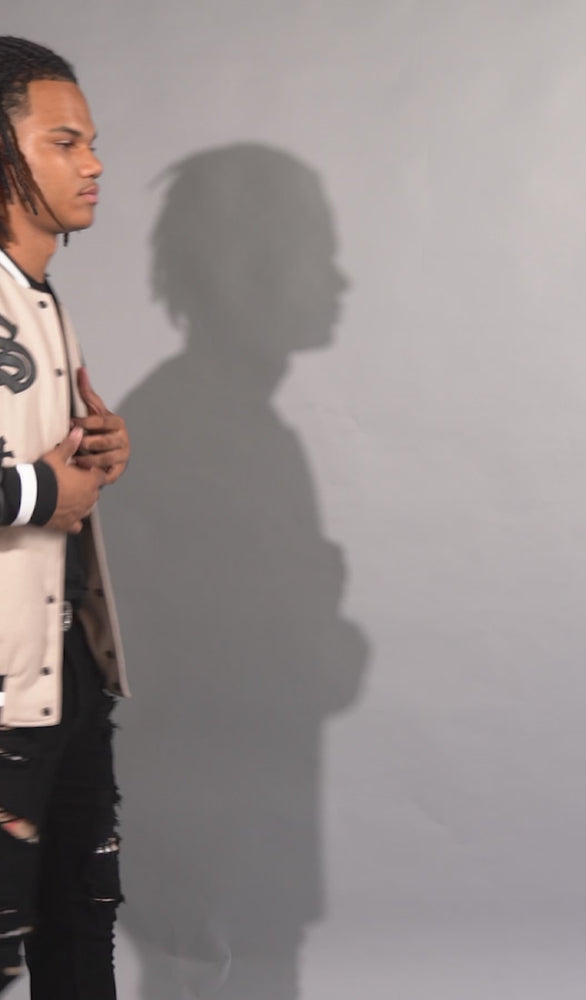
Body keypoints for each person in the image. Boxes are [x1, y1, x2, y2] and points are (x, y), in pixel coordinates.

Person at [0, 36, 130, 998]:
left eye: (90, 142)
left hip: (63, 672)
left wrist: (96, 451)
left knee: (80, 933)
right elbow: (33, 488)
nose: (94, 164)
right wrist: (46, 493)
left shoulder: (42, 301)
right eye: (64, 141)